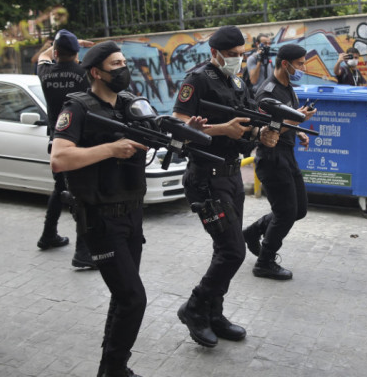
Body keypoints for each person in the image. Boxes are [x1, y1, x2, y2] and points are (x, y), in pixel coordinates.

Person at [172, 25, 278, 348]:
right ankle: (194, 308)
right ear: (215, 53)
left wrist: (262, 135)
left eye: (240, 54)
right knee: (233, 250)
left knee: (224, 250)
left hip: (231, 176)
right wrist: (222, 130)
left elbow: (244, 123)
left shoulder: (236, 80)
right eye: (232, 55)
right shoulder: (197, 79)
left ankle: (214, 314)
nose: (238, 59)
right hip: (205, 178)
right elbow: (176, 125)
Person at [50, 41, 149, 377]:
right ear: (96, 72)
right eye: (116, 64)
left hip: (132, 213)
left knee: (123, 298)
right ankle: (113, 368)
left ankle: (112, 368)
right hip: (101, 218)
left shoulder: (130, 104)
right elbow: (59, 159)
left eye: (124, 62)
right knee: (133, 298)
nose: (124, 69)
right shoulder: (76, 107)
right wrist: (110, 149)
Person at [242, 44, 316, 280]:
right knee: (285, 213)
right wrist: (298, 120)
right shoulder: (267, 93)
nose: (303, 67)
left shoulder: (288, 87)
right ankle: (264, 262)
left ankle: (253, 232)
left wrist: (299, 129)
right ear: (286, 64)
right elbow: (265, 129)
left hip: (287, 155)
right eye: (300, 63)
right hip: (271, 158)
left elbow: (286, 121)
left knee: (299, 210)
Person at [35, 29, 96, 269]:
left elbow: (43, 56)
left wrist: (60, 45)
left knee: (60, 188)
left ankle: (48, 235)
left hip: (56, 141)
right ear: (77, 53)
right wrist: (76, 45)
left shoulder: (45, 72)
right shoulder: (83, 74)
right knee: (81, 194)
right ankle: (83, 252)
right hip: (79, 141)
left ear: (57, 52)